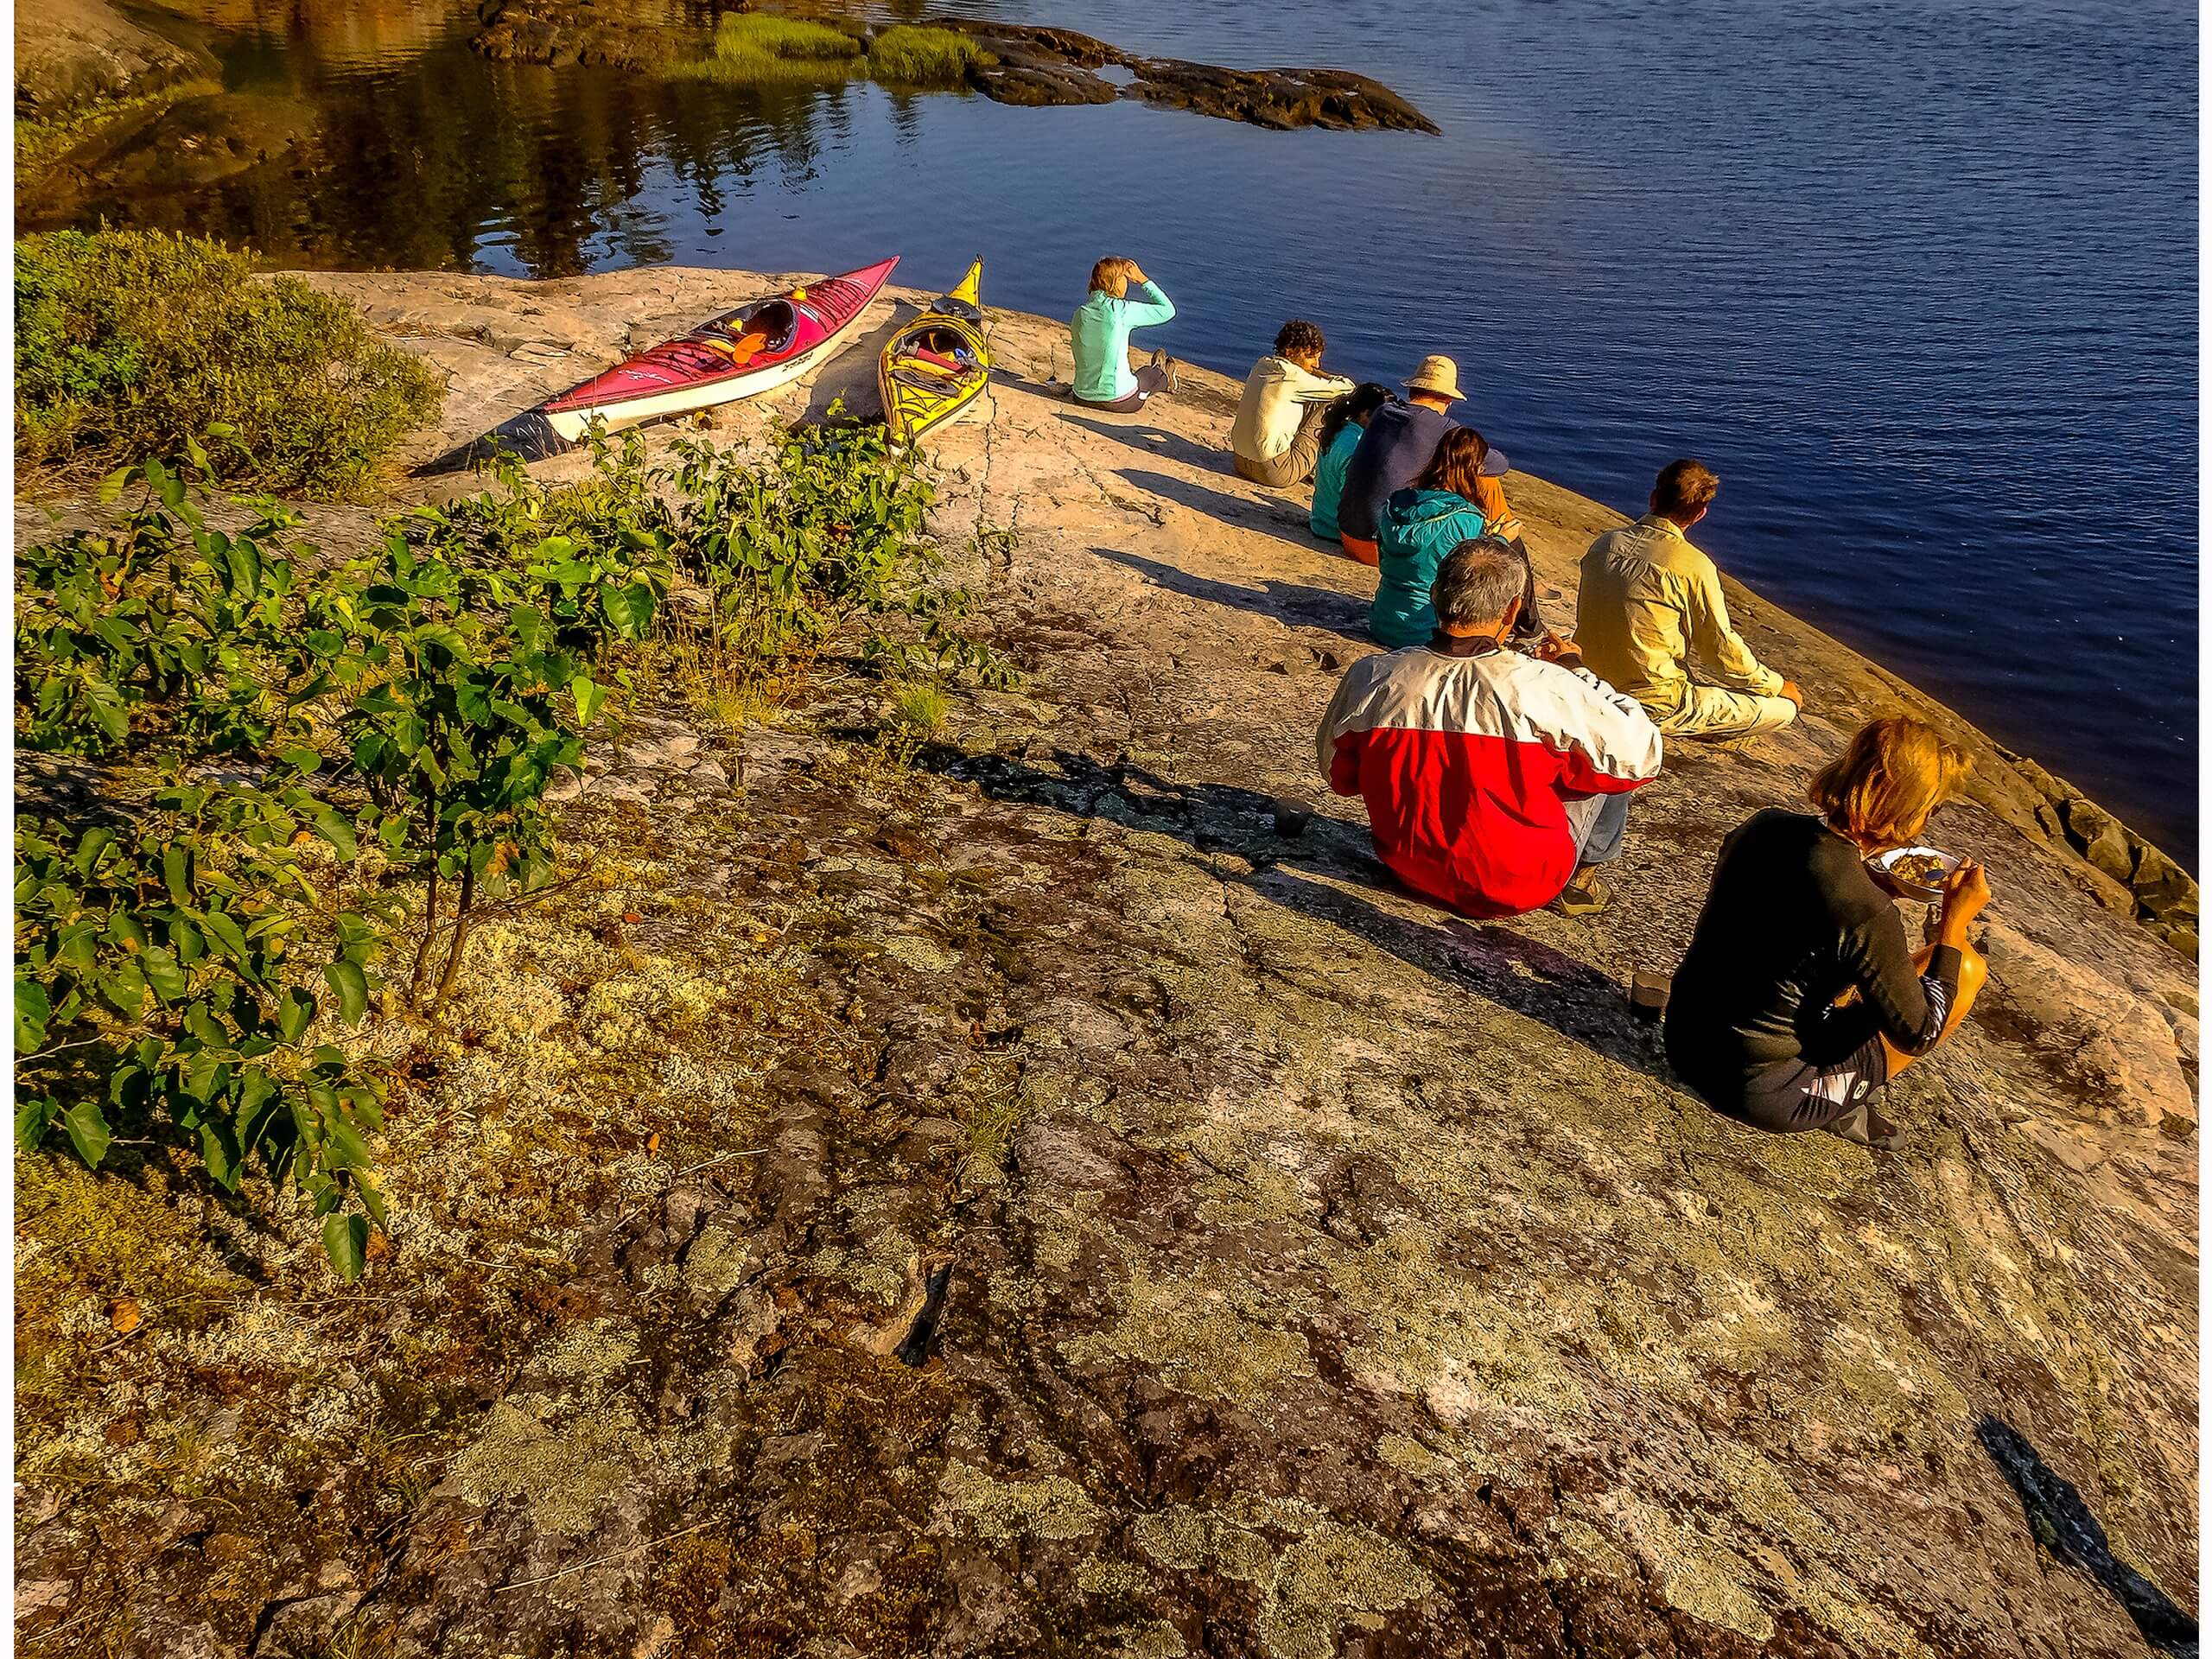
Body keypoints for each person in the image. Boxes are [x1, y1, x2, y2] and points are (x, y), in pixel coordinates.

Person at [1665, 716, 1992, 1148]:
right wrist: (1953, 924)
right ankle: (1843, 1101)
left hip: (1686, 1040)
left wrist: (1875, 887)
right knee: (1964, 968)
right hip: (1760, 1090)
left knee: (1856, 969)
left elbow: (1774, 922)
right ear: (1906, 808)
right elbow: (1919, 1033)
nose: (1930, 818)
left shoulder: (1765, 825)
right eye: (1931, 808)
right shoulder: (1865, 910)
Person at [1319, 537, 1662, 919]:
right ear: (1513, 609)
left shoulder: (1374, 675)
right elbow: (1641, 756)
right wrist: (1578, 672)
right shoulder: (1542, 685)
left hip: (1409, 868)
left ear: (1437, 595)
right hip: (1519, 885)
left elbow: (1339, 776)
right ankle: (1579, 886)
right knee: (1608, 746)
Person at [1576, 459, 1801, 744]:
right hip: (1653, 703)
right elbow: (1721, 650)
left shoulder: (1606, 543)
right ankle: (1684, 725)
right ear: (1700, 514)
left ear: (1654, 497)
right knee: (1784, 710)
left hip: (1591, 682)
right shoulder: (1694, 565)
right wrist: (1778, 686)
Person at [1370, 428, 1543, 649]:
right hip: (1429, 633)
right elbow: (1475, 573)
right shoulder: (1465, 517)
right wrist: (1501, 539)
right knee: (1513, 547)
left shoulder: (1394, 504)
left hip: (1382, 622)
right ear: (1476, 469)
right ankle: (1530, 631)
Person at [1336, 354, 1517, 565]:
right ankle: (1512, 559)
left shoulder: (1382, 412)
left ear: (1412, 390)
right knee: (1486, 479)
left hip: (1349, 537)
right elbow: (1499, 464)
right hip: (1387, 549)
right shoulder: (1444, 428)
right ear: (1448, 400)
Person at [1230, 320, 1356, 487]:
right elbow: (1347, 388)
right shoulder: (1292, 376)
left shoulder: (1262, 365)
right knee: (1333, 401)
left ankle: (1304, 462)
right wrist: (1322, 375)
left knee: (1313, 397)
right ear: (1290, 351)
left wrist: (1311, 372)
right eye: (1311, 357)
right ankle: (1324, 470)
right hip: (1275, 473)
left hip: (1240, 463)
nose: (1316, 364)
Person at [1070, 257, 1176, 412]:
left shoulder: (1080, 313)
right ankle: (1166, 379)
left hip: (1080, 397)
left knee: (1133, 373)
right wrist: (1142, 280)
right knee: (1149, 374)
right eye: (1124, 278)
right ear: (1116, 283)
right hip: (1120, 402)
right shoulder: (1121, 311)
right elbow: (1168, 311)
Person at [1309, 382, 1391, 543]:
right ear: (1365, 414)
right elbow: (1350, 498)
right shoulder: (1357, 447)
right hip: (1338, 531)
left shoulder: (1338, 431)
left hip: (1321, 521)